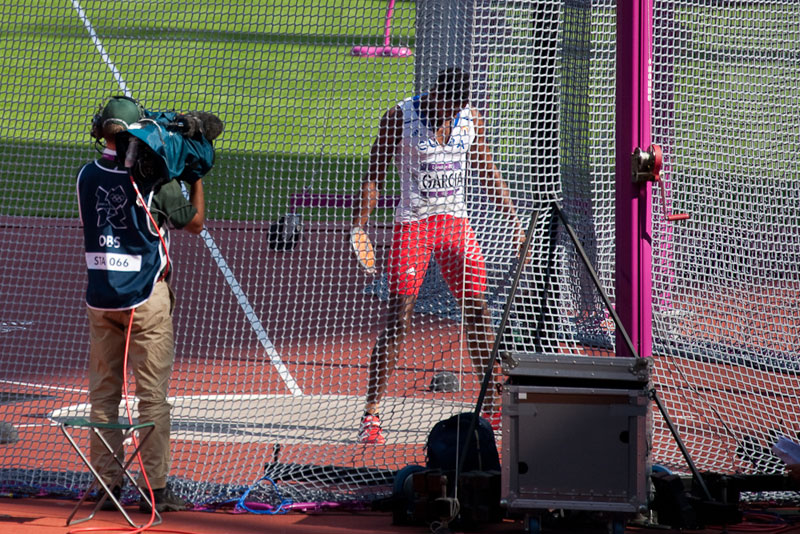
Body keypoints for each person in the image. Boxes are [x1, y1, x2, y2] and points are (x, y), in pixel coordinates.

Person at [352, 68, 524, 444]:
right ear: (434, 94)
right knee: (400, 316)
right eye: (446, 106)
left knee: (479, 313)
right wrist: (358, 226)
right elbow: (374, 174)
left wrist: (514, 223)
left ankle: (493, 404)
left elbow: (487, 169)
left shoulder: (471, 119)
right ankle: (371, 414)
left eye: (457, 109)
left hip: (456, 227)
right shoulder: (399, 116)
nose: (450, 116)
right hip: (414, 225)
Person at [76, 95, 220, 511]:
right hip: (145, 298)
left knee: (103, 397)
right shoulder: (152, 177)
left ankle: (107, 486)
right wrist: (194, 174)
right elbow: (194, 223)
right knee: (152, 398)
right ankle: (155, 489)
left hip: (100, 298)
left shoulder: (85, 176)